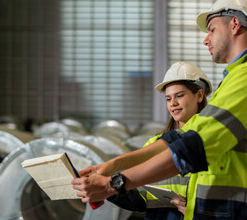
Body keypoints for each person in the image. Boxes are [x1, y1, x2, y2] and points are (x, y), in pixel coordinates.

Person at [72, 0, 247, 220]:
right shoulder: (237, 78)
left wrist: (112, 184)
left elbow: (194, 147)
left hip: (243, 211)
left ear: (234, 24)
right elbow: (179, 138)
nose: (206, 40)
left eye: (212, 29)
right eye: (168, 98)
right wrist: (110, 166)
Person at [89, 61, 211, 220]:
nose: (173, 103)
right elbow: (140, 201)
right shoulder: (154, 144)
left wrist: (198, 209)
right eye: (168, 98)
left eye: (180, 95)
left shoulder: (211, 141)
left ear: (200, 95)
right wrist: (110, 189)